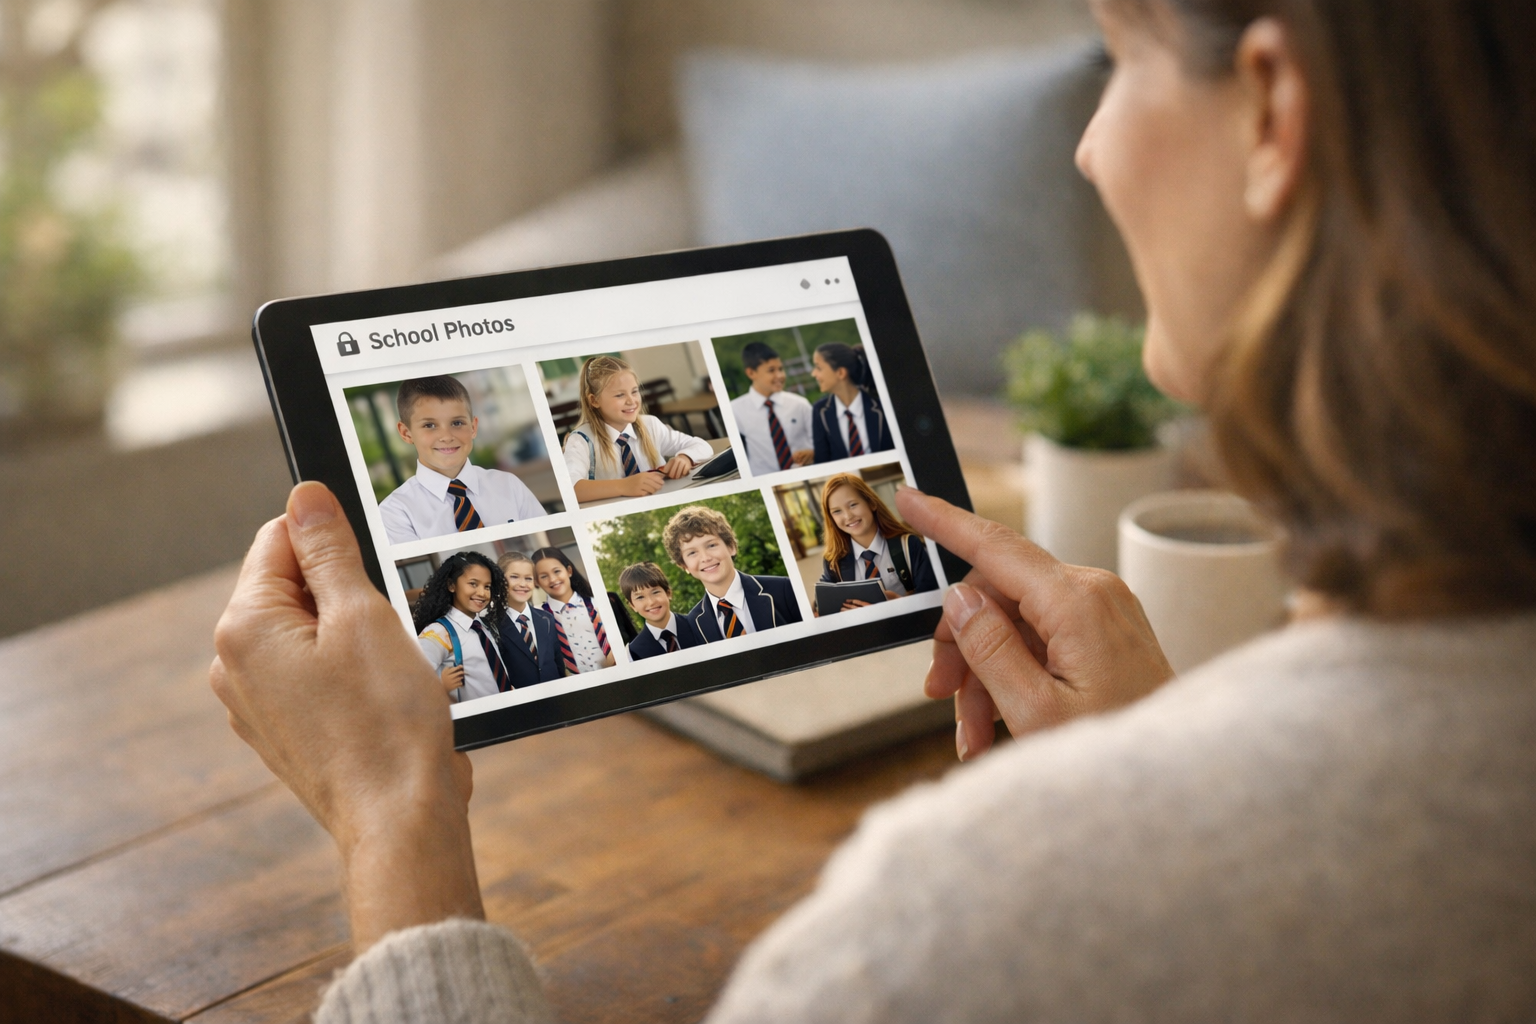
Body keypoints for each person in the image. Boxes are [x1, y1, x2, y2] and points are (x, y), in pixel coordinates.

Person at [209, 0, 1536, 1019]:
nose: (1084, 143)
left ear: (1271, 113)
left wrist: (395, 822)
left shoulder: (955, 924)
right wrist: (1151, 754)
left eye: (1119, 53)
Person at [377, 376, 548, 544]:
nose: (446, 436)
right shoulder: (395, 512)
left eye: (457, 423)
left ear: (473, 427)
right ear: (406, 433)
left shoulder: (509, 485)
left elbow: (545, 549)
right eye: (429, 425)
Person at [562, 355, 715, 504]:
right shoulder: (580, 440)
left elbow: (702, 446)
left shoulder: (650, 425)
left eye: (634, 391)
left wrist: (685, 458)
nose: (631, 401)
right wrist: (624, 486)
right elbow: (570, 489)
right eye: (620, 395)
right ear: (594, 401)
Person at [662, 505, 803, 642]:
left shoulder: (784, 589)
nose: (705, 558)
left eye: (711, 545)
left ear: (731, 547)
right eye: (692, 553)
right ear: (684, 566)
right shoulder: (693, 623)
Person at [817, 473, 937, 613]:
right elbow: (824, 608)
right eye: (837, 511)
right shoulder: (833, 562)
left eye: (853, 505)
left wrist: (900, 604)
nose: (848, 516)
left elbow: (933, 598)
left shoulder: (909, 545)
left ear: (871, 503)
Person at [412, 551, 513, 702]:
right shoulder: (439, 632)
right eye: (473, 584)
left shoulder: (484, 627)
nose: (482, 593)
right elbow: (412, 681)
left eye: (487, 586)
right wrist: (440, 684)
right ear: (451, 585)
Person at [729, 341, 815, 475]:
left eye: (780, 369)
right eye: (771, 370)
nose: (780, 375)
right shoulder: (734, 410)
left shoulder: (800, 404)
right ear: (751, 373)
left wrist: (813, 453)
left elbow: (822, 442)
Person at [530, 545, 616, 673]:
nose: (553, 579)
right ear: (536, 582)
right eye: (544, 576)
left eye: (557, 571)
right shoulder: (538, 618)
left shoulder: (599, 603)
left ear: (569, 571)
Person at [809, 343, 893, 463]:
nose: (813, 374)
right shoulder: (820, 411)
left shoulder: (882, 406)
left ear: (841, 373)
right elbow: (822, 460)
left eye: (818, 367)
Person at [493, 551, 565, 687]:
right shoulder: (493, 626)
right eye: (514, 577)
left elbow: (558, 663)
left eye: (528, 578)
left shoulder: (547, 619)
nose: (522, 584)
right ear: (499, 580)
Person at [620, 560, 705, 659]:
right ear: (632, 606)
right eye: (640, 597)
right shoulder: (633, 652)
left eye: (655, 592)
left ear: (668, 593)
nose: (651, 602)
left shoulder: (699, 625)